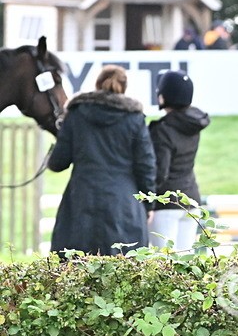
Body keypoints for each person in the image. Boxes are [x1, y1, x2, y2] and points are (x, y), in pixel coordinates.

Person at [48, 65, 156, 256]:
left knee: (75, 265)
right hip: (124, 204)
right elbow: (146, 165)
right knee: (125, 266)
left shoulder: (76, 113)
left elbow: (58, 163)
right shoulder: (134, 118)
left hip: (80, 202)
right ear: (124, 88)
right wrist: (148, 203)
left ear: (97, 85)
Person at [149, 71, 210, 254]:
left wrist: (147, 203)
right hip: (191, 198)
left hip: (166, 203)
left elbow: (160, 173)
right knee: (185, 260)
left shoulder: (162, 129)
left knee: (163, 260)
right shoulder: (193, 124)